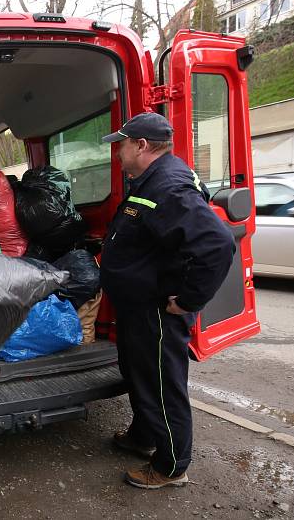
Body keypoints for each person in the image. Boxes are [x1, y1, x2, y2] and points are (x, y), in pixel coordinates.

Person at [99, 112, 235, 489]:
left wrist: (188, 301)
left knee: (162, 385)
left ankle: (171, 466)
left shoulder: (169, 188)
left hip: (156, 311)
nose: (118, 154)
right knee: (141, 376)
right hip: (136, 307)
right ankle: (144, 437)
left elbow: (218, 244)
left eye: (121, 145)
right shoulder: (153, 179)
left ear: (141, 146)